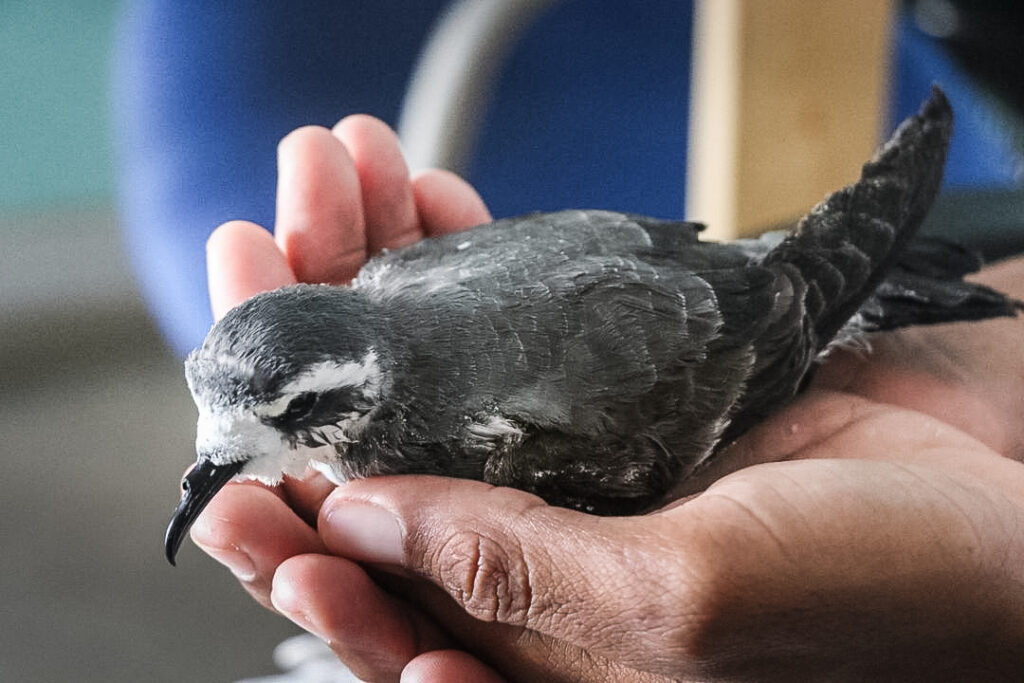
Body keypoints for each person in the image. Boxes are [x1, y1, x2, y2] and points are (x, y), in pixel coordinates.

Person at [188, 116, 1024, 681]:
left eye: (293, 412)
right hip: (678, 283)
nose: (213, 462)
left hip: (750, 313)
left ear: (358, 383)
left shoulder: (491, 437)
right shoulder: (390, 276)